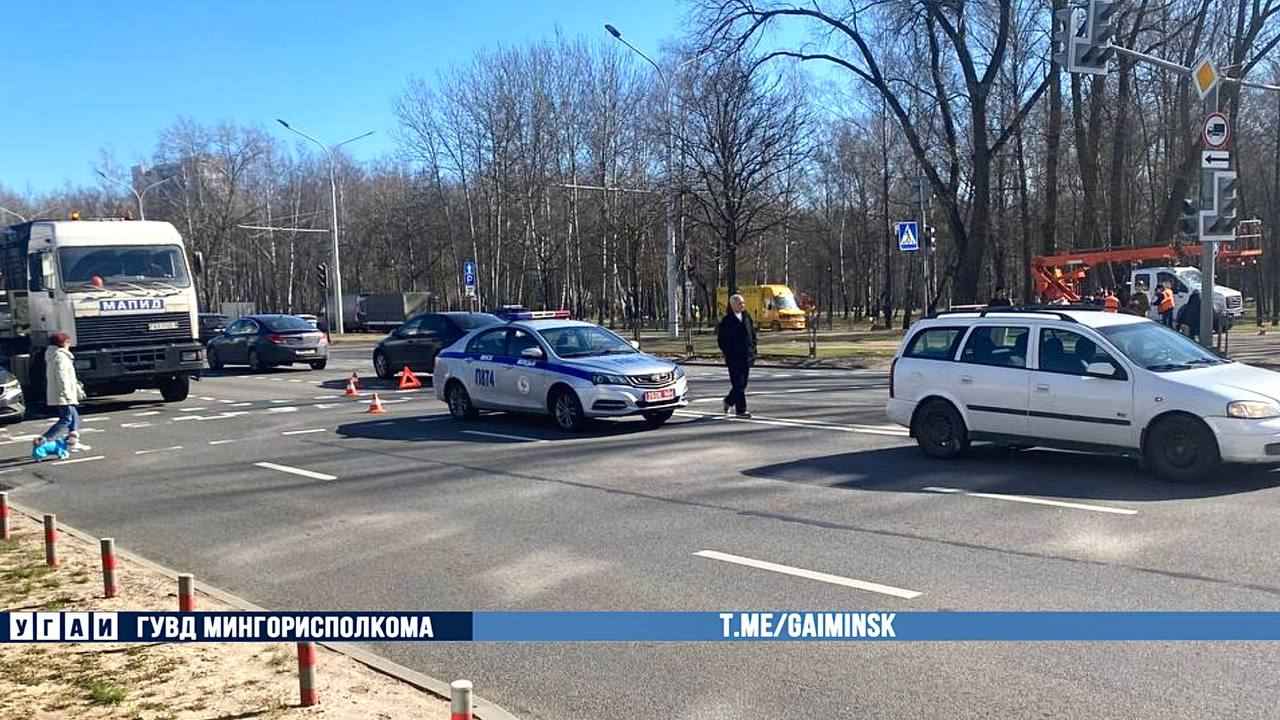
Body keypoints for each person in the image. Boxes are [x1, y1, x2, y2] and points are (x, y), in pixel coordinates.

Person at [33, 332, 87, 459]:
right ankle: (43, 440)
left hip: (63, 392)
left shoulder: (55, 355)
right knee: (66, 418)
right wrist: (66, 394)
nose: (69, 344)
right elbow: (62, 377)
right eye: (68, 342)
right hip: (63, 393)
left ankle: (72, 440)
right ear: (64, 343)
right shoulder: (60, 357)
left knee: (73, 415)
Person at [717, 293, 757, 418]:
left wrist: (754, 350)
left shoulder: (746, 317)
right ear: (733, 305)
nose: (742, 305)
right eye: (740, 303)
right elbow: (721, 340)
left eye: (743, 303)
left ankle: (728, 401)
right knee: (738, 384)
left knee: (743, 384)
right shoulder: (727, 320)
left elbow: (752, 335)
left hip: (746, 356)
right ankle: (741, 410)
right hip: (734, 358)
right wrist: (728, 352)